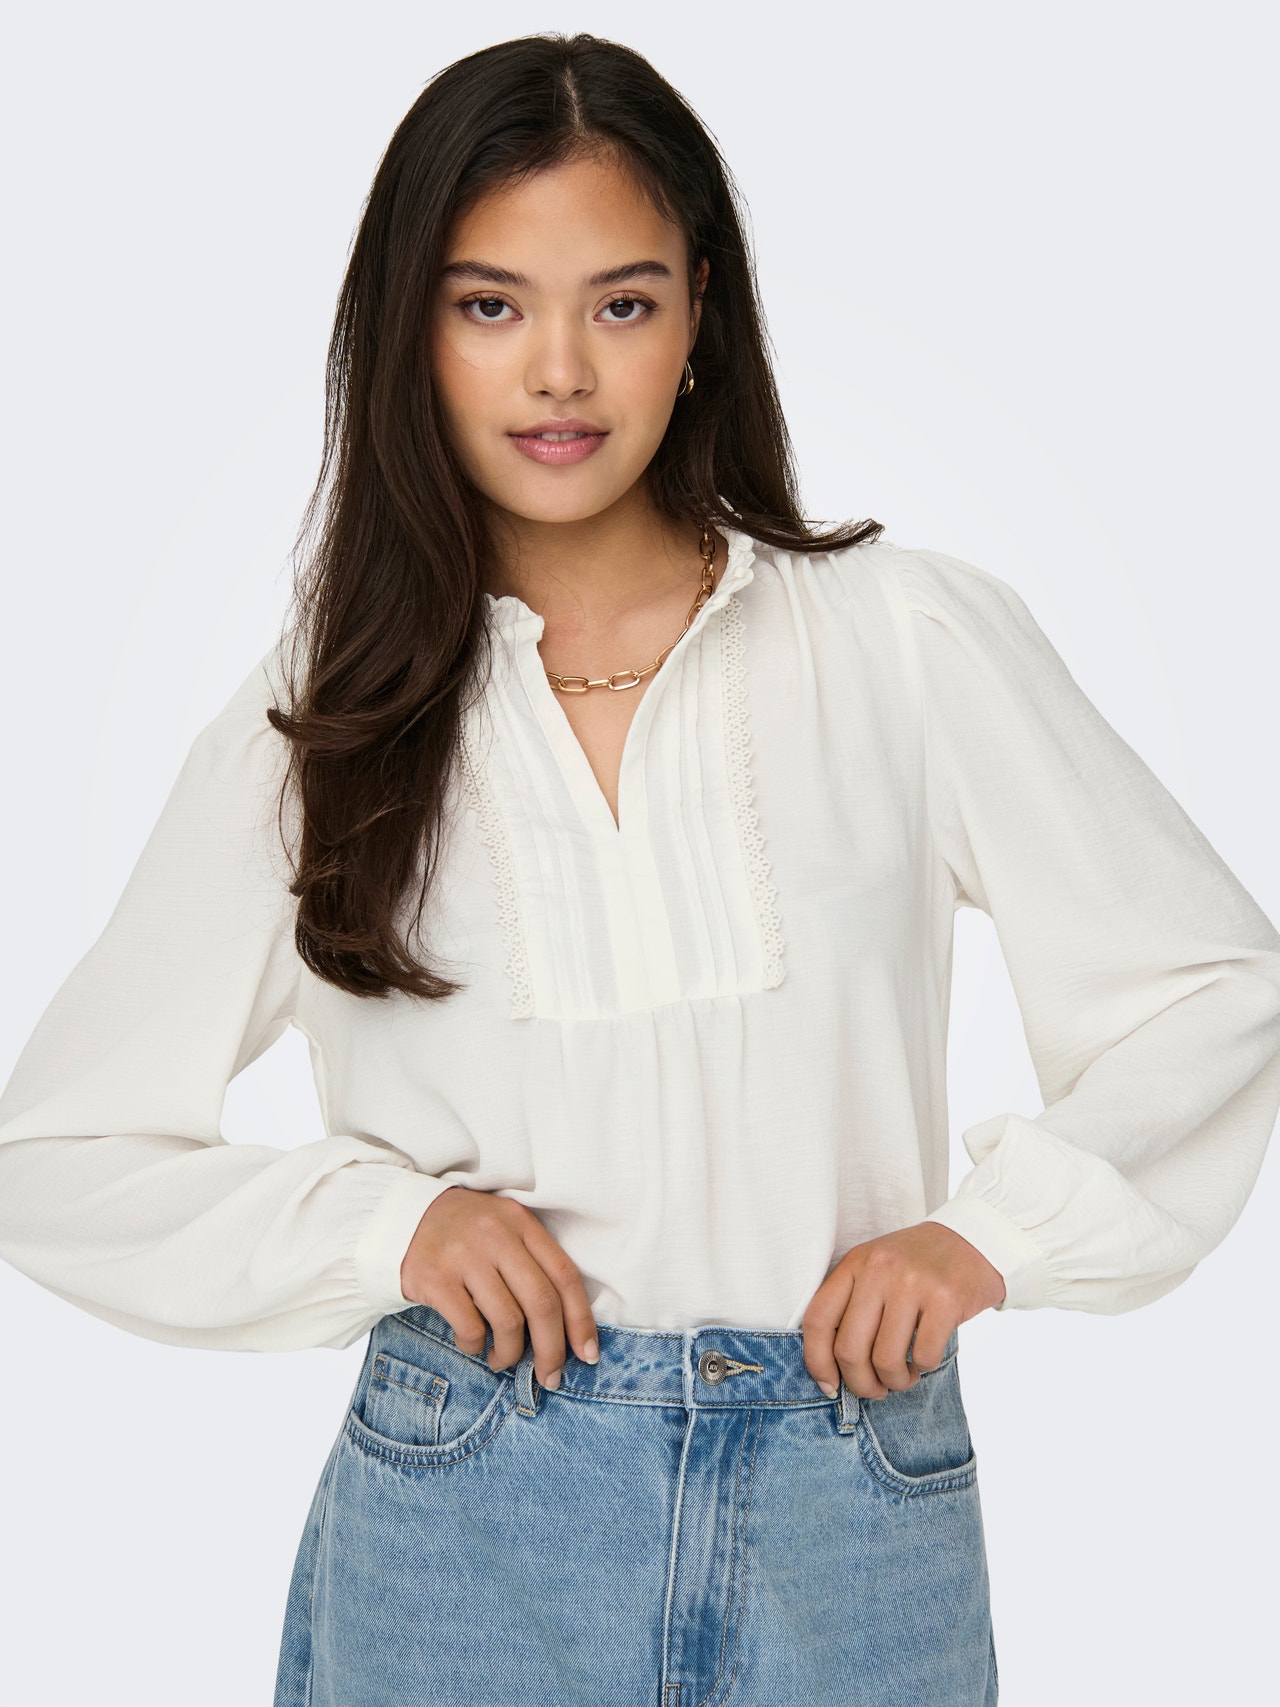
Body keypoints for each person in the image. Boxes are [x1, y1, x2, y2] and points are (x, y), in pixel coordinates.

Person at [1, 30, 1277, 1707]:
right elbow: (59, 1155)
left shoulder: (900, 643)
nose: (558, 372)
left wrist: (988, 1238)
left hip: (850, 1513)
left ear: (699, 323)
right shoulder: (325, 721)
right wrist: (391, 1227)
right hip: (467, 1531)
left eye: (621, 302)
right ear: (409, 335)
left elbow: (1209, 993)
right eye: (488, 305)